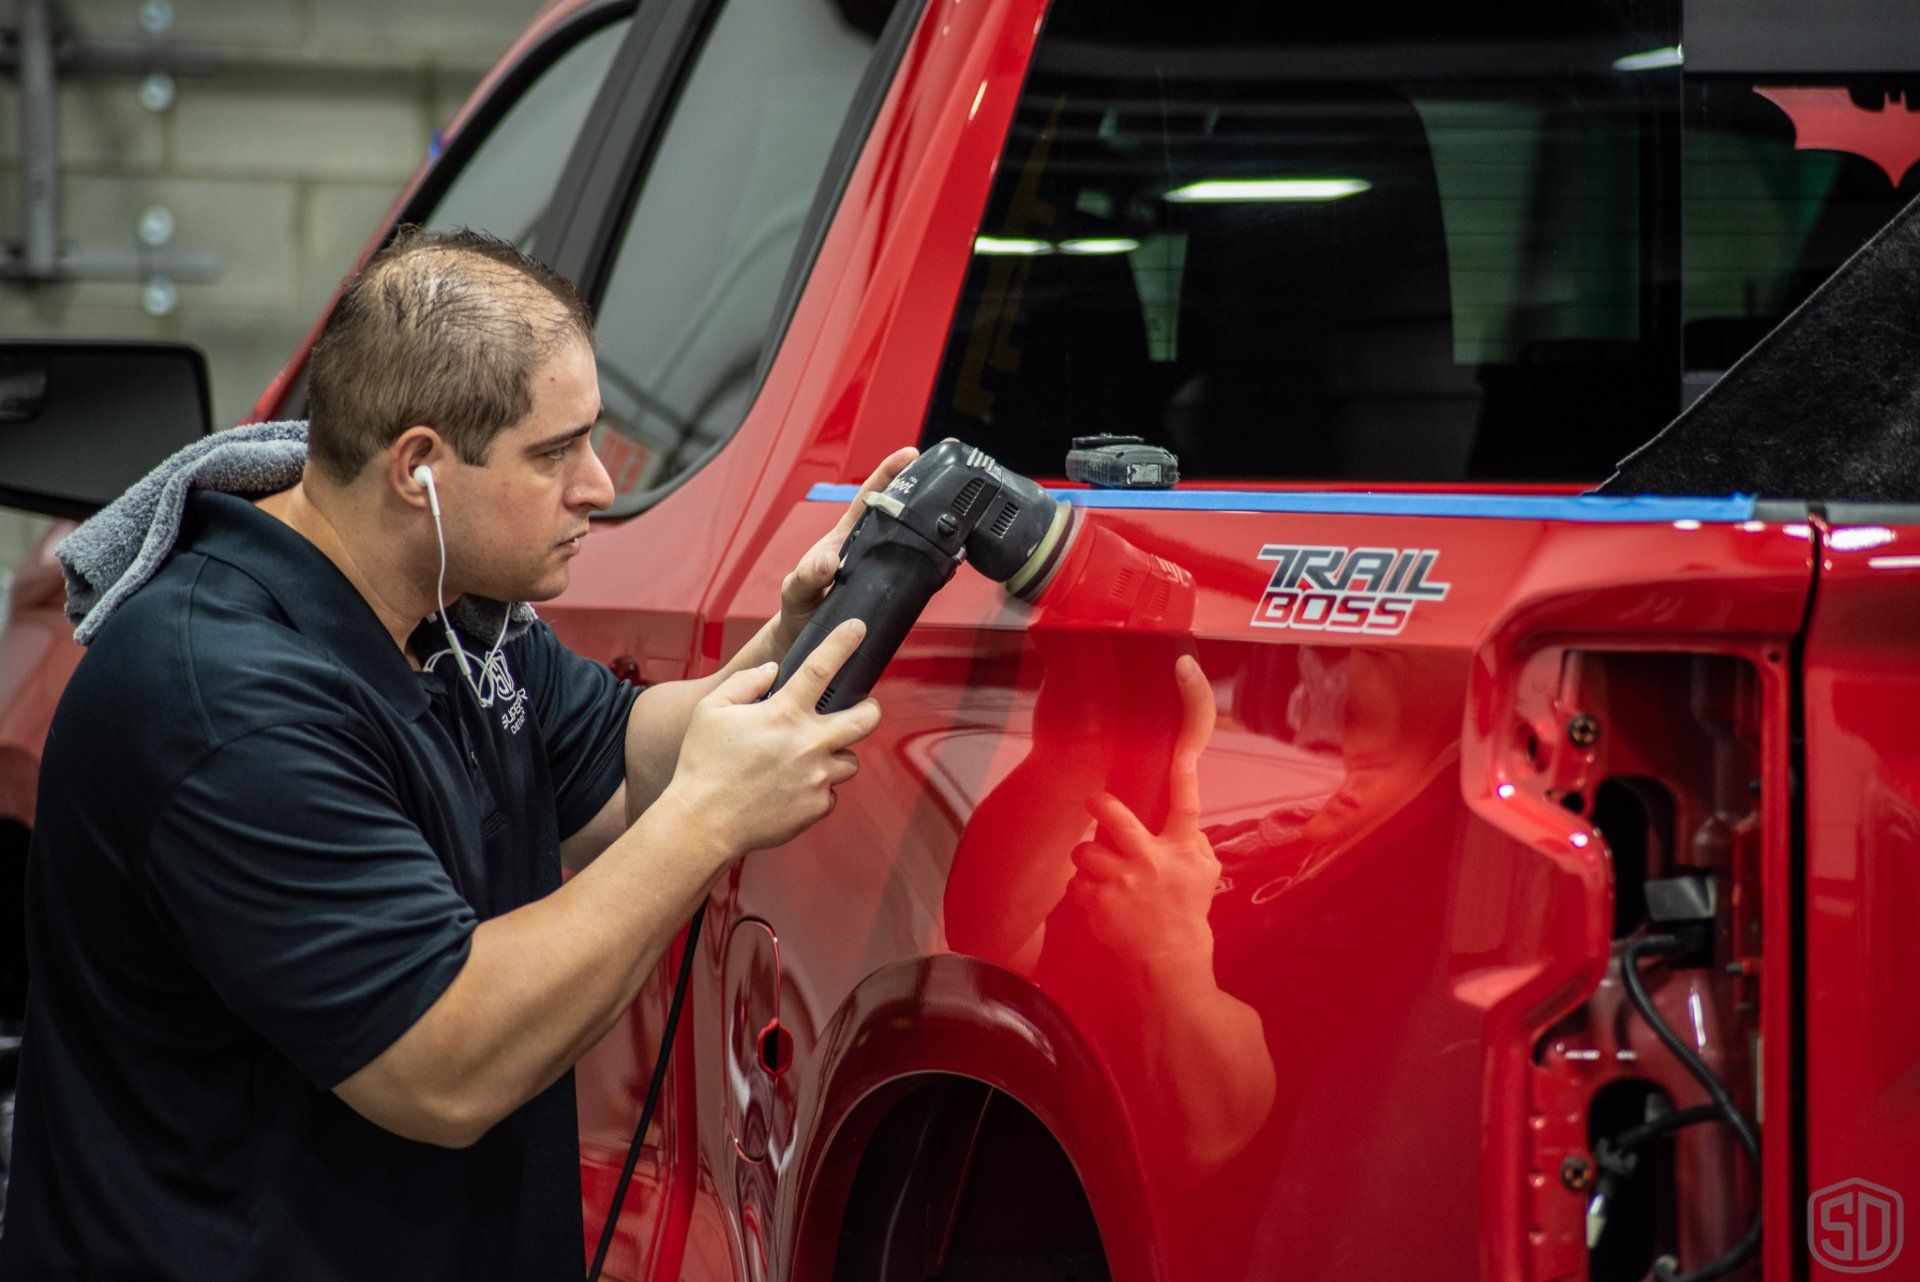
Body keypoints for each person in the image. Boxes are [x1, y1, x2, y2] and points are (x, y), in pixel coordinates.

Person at [0, 228, 911, 1280]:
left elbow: (621, 761)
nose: (600, 488)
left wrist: (803, 642)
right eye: (553, 453)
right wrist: (710, 821)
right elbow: (444, 1064)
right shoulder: (223, 698)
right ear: (420, 469)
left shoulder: (451, 617)